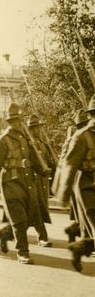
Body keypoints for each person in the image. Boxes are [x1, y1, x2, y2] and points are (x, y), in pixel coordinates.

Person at [0, 103, 48, 264]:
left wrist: (44, 170)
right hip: (10, 184)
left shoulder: (27, 140)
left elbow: (34, 160)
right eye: (15, 121)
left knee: (28, 218)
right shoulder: (2, 141)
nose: (19, 124)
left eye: (20, 120)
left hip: (27, 182)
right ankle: (23, 252)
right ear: (9, 122)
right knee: (19, 220)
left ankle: (6, 234)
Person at [56, 95, 95, 271]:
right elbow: (70, 164)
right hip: (86, 186)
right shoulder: (82, 136)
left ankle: (79, 249)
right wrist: (64, 195)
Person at [54, 110, 89, 243]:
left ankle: (74, 231)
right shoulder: (75, 139)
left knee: (83, 212)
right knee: (85, 211)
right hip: (77, 180)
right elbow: (65, 161)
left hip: (82, 179)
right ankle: (85, 240)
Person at [27, 114, 54, 247]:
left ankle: (8, 233)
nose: (39, 131)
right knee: (36, 207)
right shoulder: (28, 143)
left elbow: (48, 161)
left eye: (39, 128)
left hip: (42, 181)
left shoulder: (43, 143)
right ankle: (42, 236)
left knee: (37, 208)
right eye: (36, 128)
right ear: (30, 130)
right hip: (32, 180)